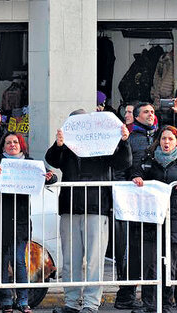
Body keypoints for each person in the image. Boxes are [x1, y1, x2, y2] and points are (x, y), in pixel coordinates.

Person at [45, 109, 132, 313]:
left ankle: (91, 303)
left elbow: (123, 162)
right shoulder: (65, 146)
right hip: (70, 207)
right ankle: (72, 303)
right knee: (70, 260)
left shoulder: (103, 145)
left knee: (94, 261)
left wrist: (124, 142)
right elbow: (53, 160)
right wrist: (58, 144)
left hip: (97, 207)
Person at [0, 132, 56, 313]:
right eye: (9, 142)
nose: (12, 145)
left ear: (21, 145)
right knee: (1, 261)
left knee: (19, 260)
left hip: (19, 221)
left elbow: (51, 178)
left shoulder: (30, 162)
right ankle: (5, 301)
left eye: (16, 142)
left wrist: (50, 177)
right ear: (3, 146)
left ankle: (23, 301)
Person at [113, 102, 157, 310]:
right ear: (137, 117)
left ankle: (151, 299)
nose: (150, 115)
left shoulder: (159, 137)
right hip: (134, 203)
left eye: (152, 112)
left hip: (156, 203)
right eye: (146, 112)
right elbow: (121, 168)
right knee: (133, 252)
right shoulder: (130, 139)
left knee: (155, 253)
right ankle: (125, 296)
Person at [131, 125, 177, 313]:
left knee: (172, 265)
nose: (166, 142)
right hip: (153, 219)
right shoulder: (148, 159)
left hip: (174, 220)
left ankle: (167, 303)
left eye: (170, 139)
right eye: (164, 138)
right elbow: (135, 172)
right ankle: (150, 305)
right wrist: (136, 177)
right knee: (151, 264)